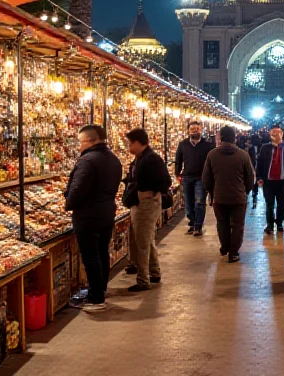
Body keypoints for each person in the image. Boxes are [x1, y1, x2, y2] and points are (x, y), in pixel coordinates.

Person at [65, 124, 122, 312]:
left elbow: (77, 188)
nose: (79, 146)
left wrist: (68, 204)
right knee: (101, 253)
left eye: (80, 142)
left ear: (91, 140)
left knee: (90, 256)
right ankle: (100, 289)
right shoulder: (113, 159)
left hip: (88, 215)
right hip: (107, 212)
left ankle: (96, 298)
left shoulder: (88, 161)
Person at [123, 129, 172, 292]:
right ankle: (154, 272)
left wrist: (150, 192)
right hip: (142, 203)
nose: (129, 146)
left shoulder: (151, 159)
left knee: (142, 243)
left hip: (147, 204)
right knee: (146, 240)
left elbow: (166, 181)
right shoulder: (141, 158)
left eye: (130, 143)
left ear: (138, 143)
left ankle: (143, 280)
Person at [202, 126, 256, 263]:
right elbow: (250, 177)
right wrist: (245, 191)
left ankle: (224, 246)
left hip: (219, 196)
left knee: (222, 223)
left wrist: (212, 192)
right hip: (238, 197)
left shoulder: (212, 155)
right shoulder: (243, 155)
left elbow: (206, 178)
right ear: (234, 137)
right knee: (237, 225)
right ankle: (234, 252)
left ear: (220, 137)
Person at [174, 121, 214, 236]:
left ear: (201, 130)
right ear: (188, 131)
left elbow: (211, 161)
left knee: (199, 201)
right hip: (187, 177)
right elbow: (178, 159)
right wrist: (177, 173)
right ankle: (192, 222)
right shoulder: (183, 144)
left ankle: (198, 226)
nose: (194, 131)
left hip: (201, 177)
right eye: (192, 129)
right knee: (188, 203)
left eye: (197, 129)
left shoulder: (207, 145)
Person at [257, 125, 284, 235]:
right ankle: (269, 225)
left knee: (282, 204)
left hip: (282, 181)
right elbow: (260, 163)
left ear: (282, 134)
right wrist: (259, 177)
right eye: (273, 133)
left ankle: (279, 223)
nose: (275, 134)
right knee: (269, 203)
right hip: (269, 181)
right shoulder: (265, 148)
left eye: (277, 132)